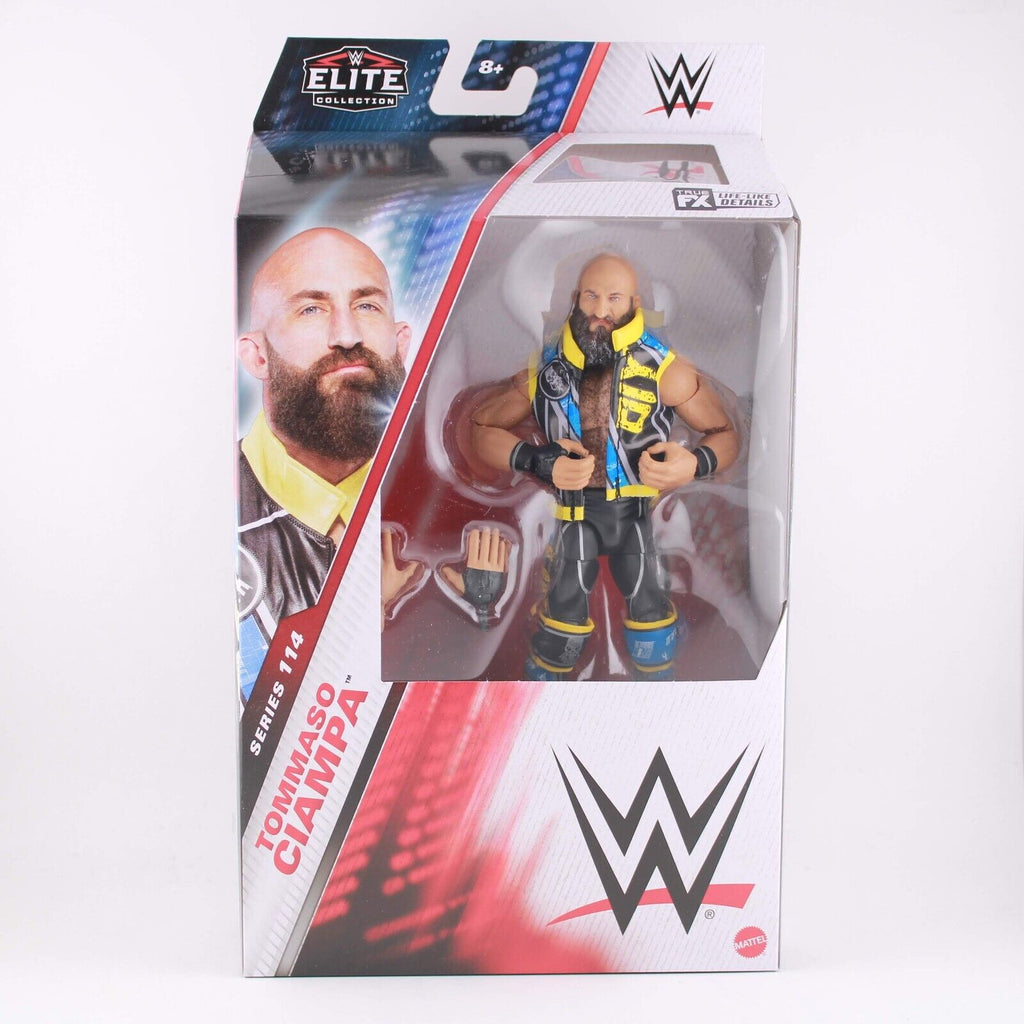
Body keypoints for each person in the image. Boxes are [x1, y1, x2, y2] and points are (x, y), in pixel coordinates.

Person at [469, 253, 739, 680]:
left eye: (614, 298)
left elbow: (725, 434)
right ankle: (542, 694)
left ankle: (663, 693)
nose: (600, 310)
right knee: (561, 629)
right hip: (574, 516)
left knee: (653, 625)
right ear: (576, 298)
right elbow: (480, 429)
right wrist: (537, 460)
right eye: (591, 296)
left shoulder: (665, 370)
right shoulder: (544, 371)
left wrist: (693, 463)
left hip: (636, 517)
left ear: (634, 303)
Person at [235, 227, 410, 700]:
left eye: (366, 306)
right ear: (257, 355)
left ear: (402, 343)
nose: (347, 335)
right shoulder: (196, 520)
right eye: (311, 309)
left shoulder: (453, 508)